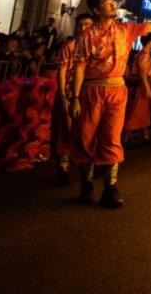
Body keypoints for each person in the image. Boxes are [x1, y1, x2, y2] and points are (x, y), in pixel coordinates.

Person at [69, 0, 151, 208]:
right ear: (96, 10)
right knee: (86, 137)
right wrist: (75, 97)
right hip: (92, 91)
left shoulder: (126, 29)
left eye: (112, 1)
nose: (113, 4)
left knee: (112, 137)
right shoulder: (87, 36)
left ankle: (110, 188)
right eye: (106, 3)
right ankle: (86, 184)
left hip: (117, 91)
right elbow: (80, 67)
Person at [54, 13, 93, 186]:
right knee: (65, 130)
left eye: (88, 24)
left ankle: (88, 171)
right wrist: (63, 95)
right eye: (81, 25)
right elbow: (61, 72)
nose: (84, 28)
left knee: (87, 131)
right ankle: (63, 167)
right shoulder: (69, 46)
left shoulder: (96, 46)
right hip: (70, 93)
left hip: (88, 93)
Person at [123, 35, 151, 145]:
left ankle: (145, 136)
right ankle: (125, 139)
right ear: (149, 42)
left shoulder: (140, 54)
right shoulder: (144, 55)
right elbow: (143, 73)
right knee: (136, 112)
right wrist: (147, 87)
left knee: (143, 111)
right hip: (141, 87)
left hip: (139, 85)